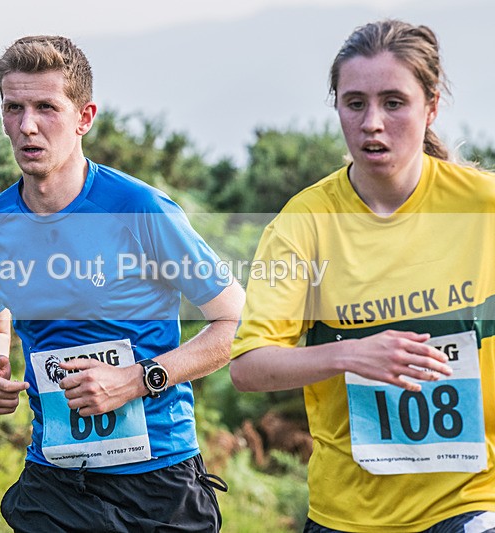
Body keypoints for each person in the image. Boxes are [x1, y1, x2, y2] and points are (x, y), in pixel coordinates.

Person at [0, 35, 245, 532]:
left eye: (46, 107)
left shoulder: (140, 208)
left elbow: (235, 322)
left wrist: (136, 380)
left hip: (157, 480)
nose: (27, 126)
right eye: (14, 108)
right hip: (56, 483)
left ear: (84, 117)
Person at [230, 19, 495, 533]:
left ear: (431, 106)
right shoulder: (300, 224)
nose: (372, 122)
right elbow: (248, 367)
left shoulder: (483, 208)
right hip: (348, 512)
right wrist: (351, 353)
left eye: (394, 102)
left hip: (473, 498)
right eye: (355, 103)